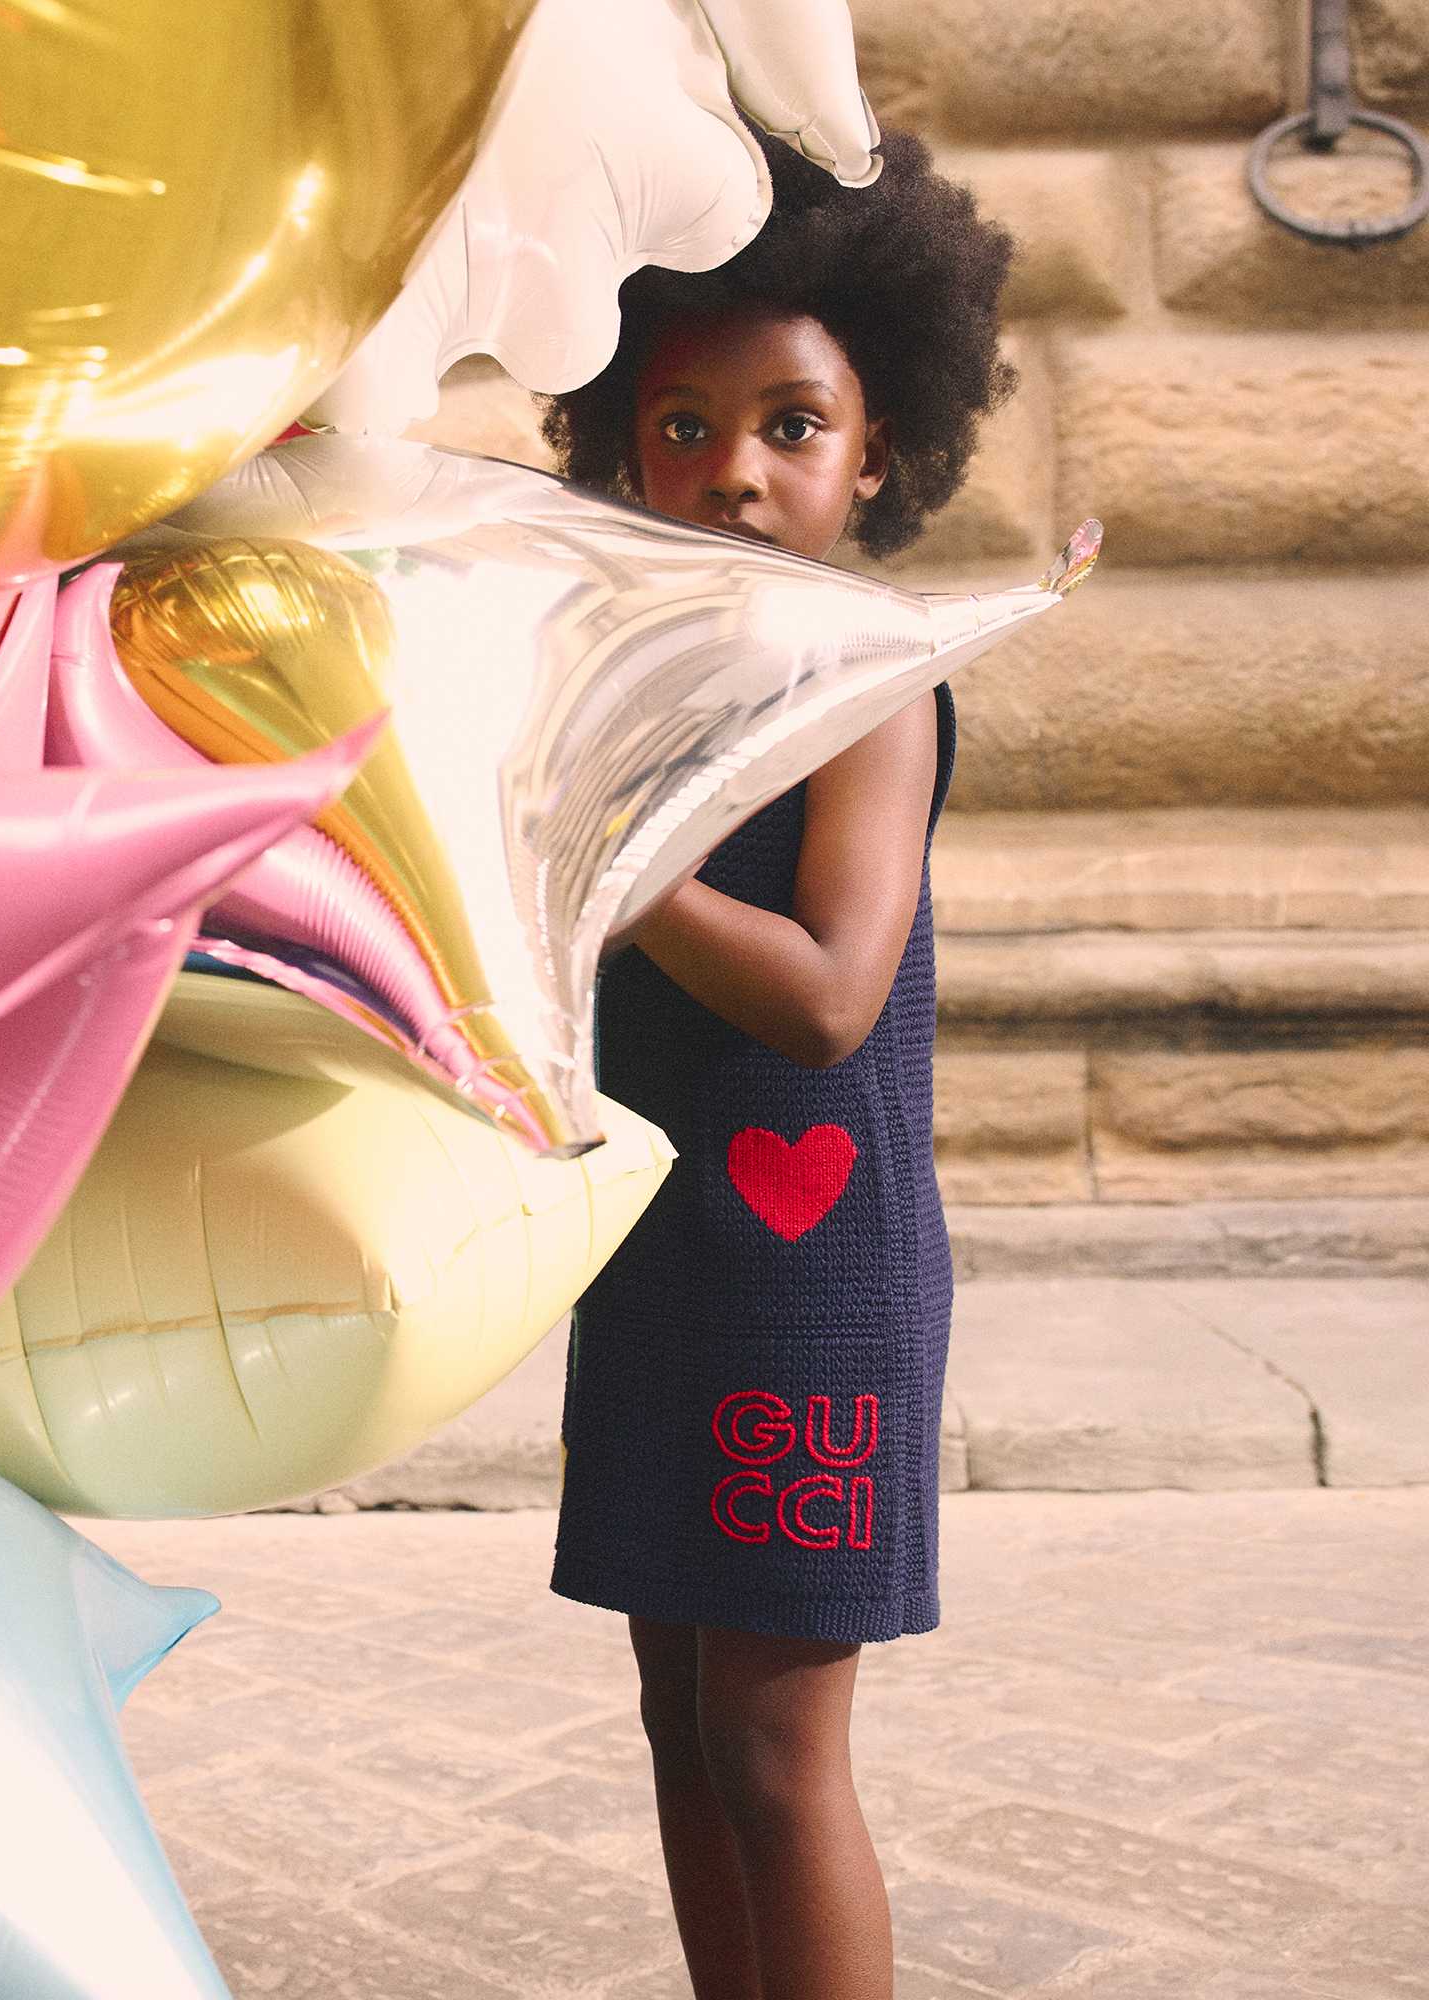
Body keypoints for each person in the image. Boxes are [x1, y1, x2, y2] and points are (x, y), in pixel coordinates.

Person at [541, 127, 1018, 2000]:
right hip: (664, 1266)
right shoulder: (644, 686)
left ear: (879, 446)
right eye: (680, 423)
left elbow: (828, 994)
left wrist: (629, 859)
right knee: (675, 1715)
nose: (731, 468)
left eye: (791, 425)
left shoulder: (867, 686)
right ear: (617, 441)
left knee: (774, 1746)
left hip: (811, 1288)